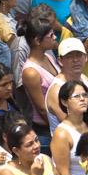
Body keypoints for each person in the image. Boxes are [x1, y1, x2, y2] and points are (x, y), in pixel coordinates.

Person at [50, 80, 88, 175]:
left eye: (85, 95)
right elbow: (64, 174)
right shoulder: (62, 134)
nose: (82, 99)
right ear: (65, 102)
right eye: (76, 96)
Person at [20, 15, 59, 144]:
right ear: (37, 40)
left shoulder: (48, 57)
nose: (55, 38)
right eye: (51, 35)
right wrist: (61, 126)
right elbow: (42, 108)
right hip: (46, 130)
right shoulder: (31, 72)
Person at [45, 37, 88, 136]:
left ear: (85, 57)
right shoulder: (57, 90)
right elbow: (72, 126)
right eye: (69, 56)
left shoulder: (84, 79)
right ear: (60, 61)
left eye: (79, 55)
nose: (75, 60)